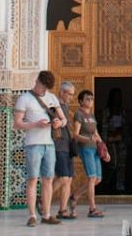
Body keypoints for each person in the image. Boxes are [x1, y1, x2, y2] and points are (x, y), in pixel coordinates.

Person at [13, 69, 65, 227]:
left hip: (49, 144)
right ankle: (32, 215)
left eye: (47, 88)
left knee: (48, 179)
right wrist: (36, 124)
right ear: (38, 82)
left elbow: (63, 120)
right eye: (43, 87)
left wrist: (58, 123)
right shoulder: (25, 98)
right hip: (33, 144)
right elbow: (17, 123)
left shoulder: (51, 98)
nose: (44, 91)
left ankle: (47, 214)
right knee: (32, 179)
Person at [72, 89, 105, 218]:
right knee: (91, 177)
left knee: (97, 179)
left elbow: (96, 133)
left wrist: (103, 148)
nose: (90, 101)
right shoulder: (78, 115)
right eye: (87, 99)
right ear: (80, 101)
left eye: (91, 99)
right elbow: (76, 135)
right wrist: (88, 139)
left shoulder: (91, 116)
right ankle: (92, 209)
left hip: (95, 149)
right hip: (86, 148)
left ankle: (75, 196)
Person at [53, 80, 77, 220]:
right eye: (70, 94)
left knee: (68, 179)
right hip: (58, 146)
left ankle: (63, 210)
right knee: (62, 178)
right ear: (62, 92)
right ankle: (43, 199)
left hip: (67, 147)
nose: (71, 97)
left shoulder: (65, 107)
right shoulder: (54, 106)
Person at [104, 87, 129, 193]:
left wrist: (127, 137)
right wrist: (104, 140)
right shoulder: (107, 111)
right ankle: (107, 182)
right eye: (115, 96)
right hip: (110, 139)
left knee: (122, 163)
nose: (117, 98)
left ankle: (120, 183)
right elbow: (104, 126)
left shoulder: (122, 111)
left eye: (119, 96)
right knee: (112, 163)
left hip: (121, 138)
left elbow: (126, 126)